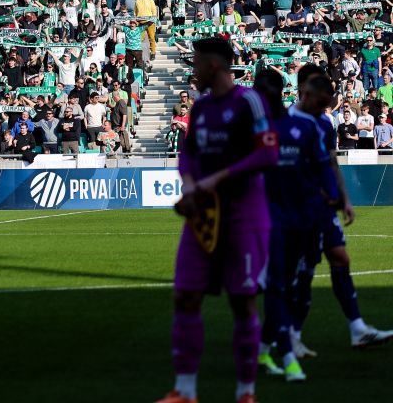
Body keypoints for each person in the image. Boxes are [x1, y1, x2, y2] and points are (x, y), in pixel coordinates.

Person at [156, 38, 278, 403]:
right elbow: (188, 152)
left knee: (242, 303)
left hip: (245, 217)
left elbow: (268, 154)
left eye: (195, 63)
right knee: (186, 297)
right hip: (203, 218)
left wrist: (218, 178)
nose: (192, 70)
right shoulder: (202, 106)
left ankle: (245, 393)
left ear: (214, 65)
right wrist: (191, 183)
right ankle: (186, 391)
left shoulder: (249, 101)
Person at [288, 65, 393, 356]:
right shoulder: (288, 121)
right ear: (304, 89)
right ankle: (291, 336)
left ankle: (357, 328)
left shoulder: (322, 122)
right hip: (302, 208)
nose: (325, 104)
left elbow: (331, 160)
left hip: (325, 206)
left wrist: (344, 198)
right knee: (304, 271)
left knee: (339, 257)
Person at [252, 70, 338, 382]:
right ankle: (287, 356)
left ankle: (262, 349)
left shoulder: (303, 127)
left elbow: (322, 165)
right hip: (267, 220)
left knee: (288, 284)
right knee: (274, 286)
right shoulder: (256, 130)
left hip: (302, 217)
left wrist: (334, 194)